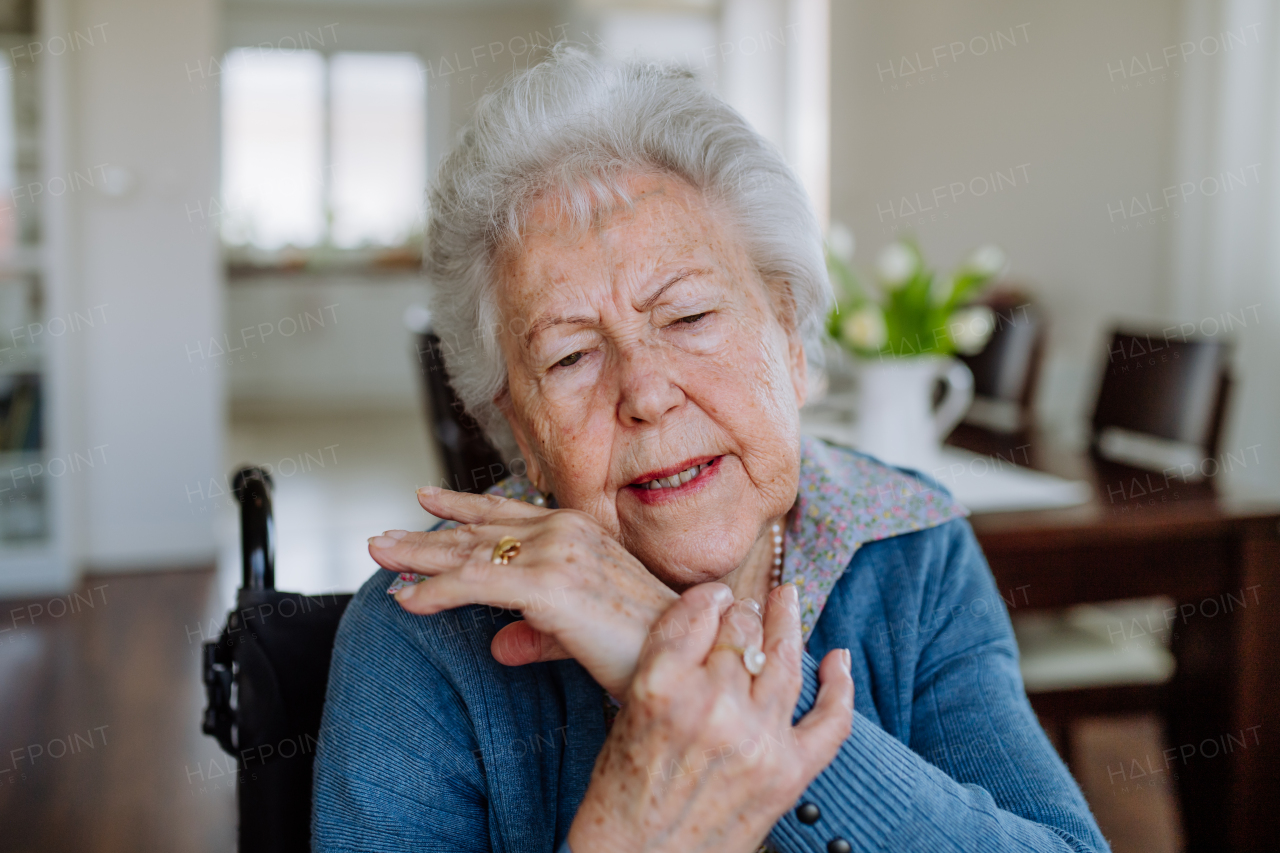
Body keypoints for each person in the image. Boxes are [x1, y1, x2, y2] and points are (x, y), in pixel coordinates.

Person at [313, 47, 1109, 853]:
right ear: (521, 430)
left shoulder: (912, 548)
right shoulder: (421, 626)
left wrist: (726, 692)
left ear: (791, 341)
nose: (647, 392)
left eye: (690, 316)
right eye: (569, 357)